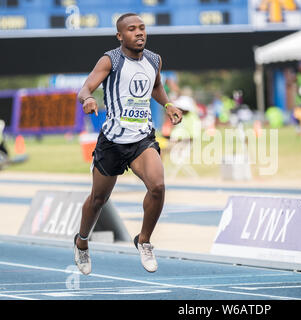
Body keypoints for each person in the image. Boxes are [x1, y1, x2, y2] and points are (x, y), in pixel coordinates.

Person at [74, 13, 183, 275]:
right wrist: (88, 100)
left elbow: (156, 85)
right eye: (132, 29)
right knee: (99, 199)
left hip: (142, 139)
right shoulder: (110, 60)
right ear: (120, 36)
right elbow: (85, 89)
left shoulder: (154, 60)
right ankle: (82, 242)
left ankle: (143, 240)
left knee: (157, 186)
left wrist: (167, 104)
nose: (139, 33)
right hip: (113, 140)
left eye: (142, 28)